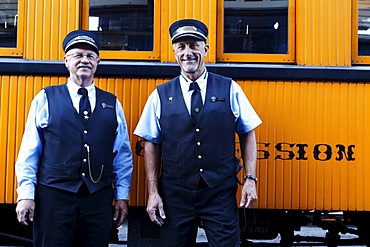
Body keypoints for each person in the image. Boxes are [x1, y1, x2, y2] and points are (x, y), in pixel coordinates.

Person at [134, 19, 262, 247]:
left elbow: (247, 131)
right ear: (174, 52)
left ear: (206, 49)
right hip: (175, 194)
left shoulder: (230, 87)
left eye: (194, 45)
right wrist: (153, 192)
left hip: (219, 191)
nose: (188, 53)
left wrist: (250, 179)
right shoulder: (160, 95)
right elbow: (150, 142)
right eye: (181, 47)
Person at [15, 30, 133, 247]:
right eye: (78, 55)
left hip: (98, 199)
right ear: (66, 61)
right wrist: (25, 195)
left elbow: (122, 156)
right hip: (53, 198)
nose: (84, 61)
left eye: (90, 56)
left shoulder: (112, 103)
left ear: (97, 62)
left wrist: (122, 196)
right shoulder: (45, 98)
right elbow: (29, 151)